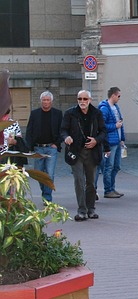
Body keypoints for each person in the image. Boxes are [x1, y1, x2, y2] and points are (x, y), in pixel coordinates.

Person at [60, 90, 107, 221]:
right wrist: (66, 137)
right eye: (79, 99)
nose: (82, 101)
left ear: (90, 100)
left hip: (92, 152)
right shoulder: (70, 113)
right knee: (79, 181)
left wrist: (96, 140)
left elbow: (103, 131)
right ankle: (82, 210)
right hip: (76, 152)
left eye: (85, 99)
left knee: (90, 182)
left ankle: (91, 209)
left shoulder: (97, 113)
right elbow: (63, 130)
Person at [25, 91, 63, 203]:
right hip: (38, 148)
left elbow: (62, 130)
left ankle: (47, 197)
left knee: (50, 173)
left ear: (51, 101)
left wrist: (56, 144)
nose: (46, 102)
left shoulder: (57, 114)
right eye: (44, 100)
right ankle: (44, 191)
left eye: (48, 100)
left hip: (51, 148)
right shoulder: (35, 113)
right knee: (39, 173)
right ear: (41, 101)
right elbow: (29, 130)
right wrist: (29, 147)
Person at [97, 87, 125, 198]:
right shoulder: (104, 108)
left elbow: (121, 123)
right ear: (113, 95)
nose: (119, 98)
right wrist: (115, 126)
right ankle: (108, 190)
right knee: (109, 166)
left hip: (117, 140)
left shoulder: (116, 107)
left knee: (116, 166)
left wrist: (122, 138)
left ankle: (112, 188)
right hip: (110, 142)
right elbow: (102, 126)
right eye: (118, 96)